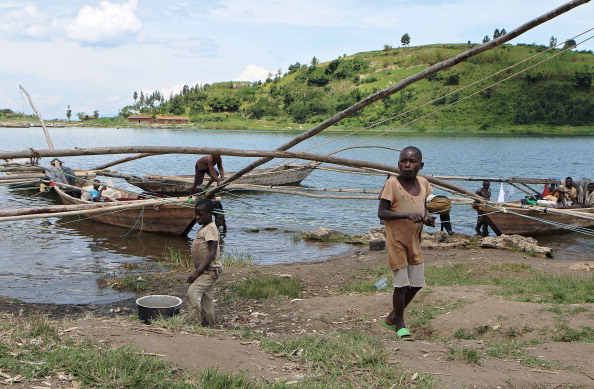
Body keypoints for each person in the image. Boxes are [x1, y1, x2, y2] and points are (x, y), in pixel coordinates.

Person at [378, 146, 435, 341]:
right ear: (398, 163)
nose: (407, 165)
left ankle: (393, 316)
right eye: (403, 161)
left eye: (412, 162)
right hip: (397, 241)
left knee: (417, 283)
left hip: (415, 240)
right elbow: (382, 213)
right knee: (401, 285)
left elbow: (423, 206)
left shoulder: (424, 183)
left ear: (421, 165)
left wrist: (426, 217)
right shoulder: (392, 184)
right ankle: (400, 324)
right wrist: (406, 215)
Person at [187, 198, 223, 326]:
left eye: (201, 215)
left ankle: (193, 323)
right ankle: (208, 324)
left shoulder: (211, 229)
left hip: (210, 270)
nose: (197, 217)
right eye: (196, 214)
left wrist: (197, 271)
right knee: (206, 298)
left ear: (210, 214)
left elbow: (211, 253)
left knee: (193, 292)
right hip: (205, 270)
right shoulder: (205, 227)